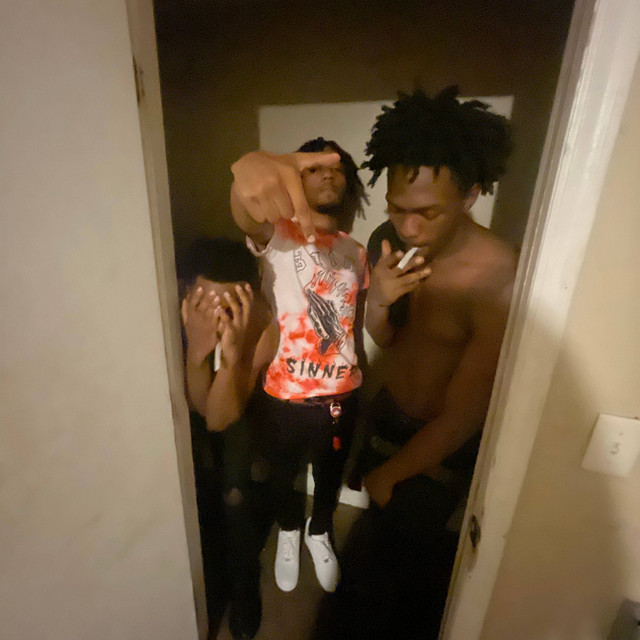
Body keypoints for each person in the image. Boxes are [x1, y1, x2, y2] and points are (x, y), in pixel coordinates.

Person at [316, 86, 517, 639]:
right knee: (369, 557)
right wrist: (379, 300)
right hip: (384, 416)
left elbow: (468, 412)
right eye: (397, 209)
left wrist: (394, 472)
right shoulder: (389, 242)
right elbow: (384, 340)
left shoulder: (496, 276)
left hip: (433, 451)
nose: (408, 227)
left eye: (427, 213)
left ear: (471, 195)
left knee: (397, 581)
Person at [229, 137, 369, 596]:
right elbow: (244, 213)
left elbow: (353, 323)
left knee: (328, 477)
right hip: (283, 396)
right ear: (294, 176)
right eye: (314, 167)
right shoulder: (276, 236)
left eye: (338, 168)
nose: (328, 173)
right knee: (282, 477)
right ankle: (290, 529)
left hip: (340, 396)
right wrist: (250, 167)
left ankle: (318, 531)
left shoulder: (356, 252)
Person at [178, 237, 277, 640]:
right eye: (206, 303)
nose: (218, 316)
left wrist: (230, 357)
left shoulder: (261, 324)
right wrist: (197, 352)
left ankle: (244, 583)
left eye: (230, 305)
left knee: (236, 489)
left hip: (242, 412)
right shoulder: (181, 316)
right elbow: (200, 408)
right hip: (203, 409)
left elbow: (219, 417)